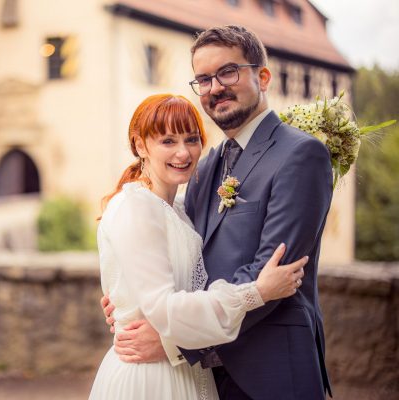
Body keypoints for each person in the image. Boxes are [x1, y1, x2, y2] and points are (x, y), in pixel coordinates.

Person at [102, 26, 333, 400]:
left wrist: (177, 343)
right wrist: (131, 295)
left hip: (271, 372)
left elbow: (274, 273)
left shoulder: (300, 155)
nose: (215, 87)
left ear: (262, 76)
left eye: (228, 72)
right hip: (208, 379)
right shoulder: (206, 167)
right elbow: (186, 256)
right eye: (204, 79)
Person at [89, 93, 307, 400]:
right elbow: (164, 307)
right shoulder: (135, 207)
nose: (183, 152)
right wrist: (257, 292)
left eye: (191, 139)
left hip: (187, 372)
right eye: (168, 141)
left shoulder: (179, 208)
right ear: (140, 146)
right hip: (149, 377)